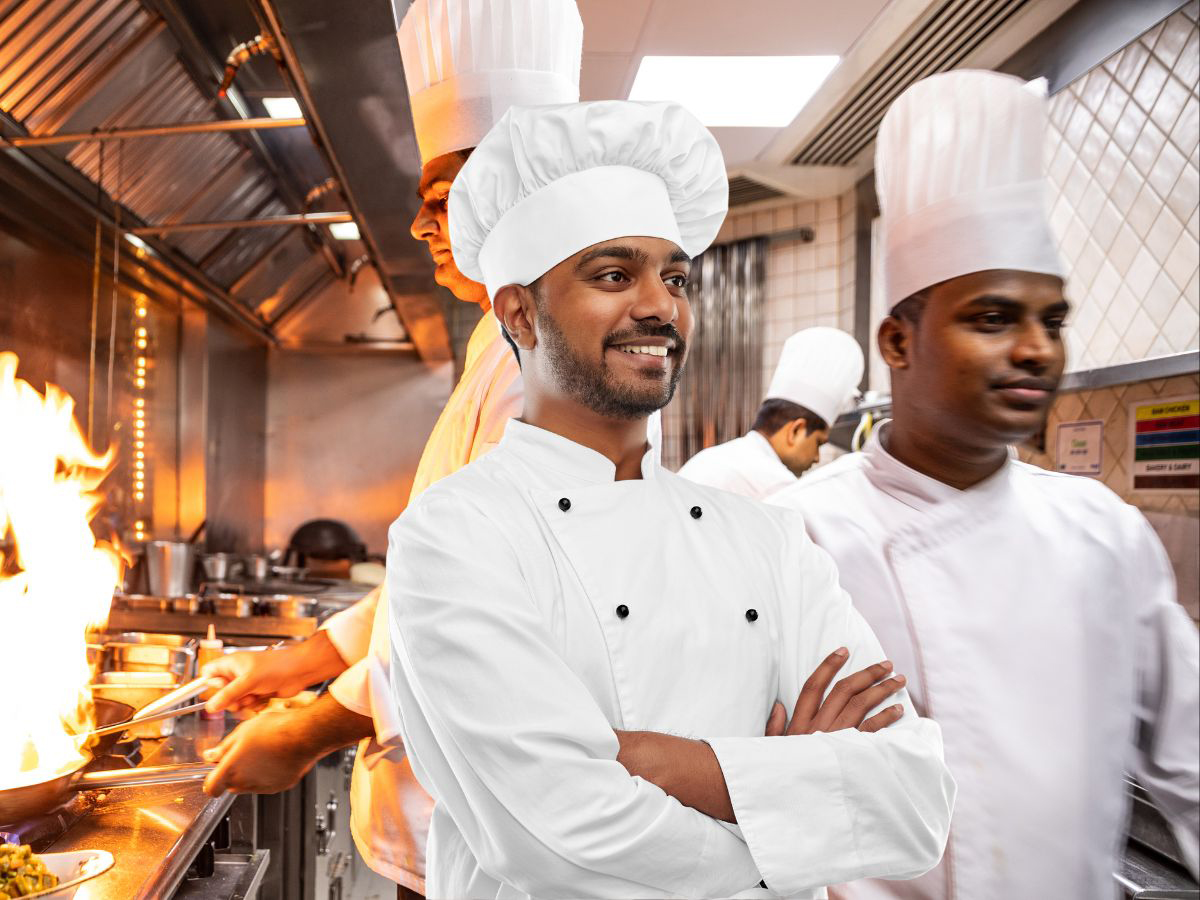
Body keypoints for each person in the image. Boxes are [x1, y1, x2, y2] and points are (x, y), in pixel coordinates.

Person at [385, 98, 955, 899]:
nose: (661, 306)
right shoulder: (456, 535)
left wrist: (651, 759)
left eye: (676, 276)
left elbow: (914, 799)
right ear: (519, 312)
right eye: (614, 274)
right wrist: (793, 806)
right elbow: (561, 838)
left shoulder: (765, 539)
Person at [770, 70, 1200, 900]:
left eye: (1053, 320)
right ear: (899, 341)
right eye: (994, 318)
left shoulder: (1104, 535)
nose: (1037, 348)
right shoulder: (798, 540)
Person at [198, 2, 584, 896]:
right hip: (441, 820)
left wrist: (304, 733)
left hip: (490, 838)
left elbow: (493, 624)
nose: (420, 228)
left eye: (442, 199)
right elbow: (432, 580)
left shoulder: (554, 367)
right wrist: (291, 666)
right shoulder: (502, 338)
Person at [678, 327, 863, 498]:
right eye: (818, 443)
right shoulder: (776, 485)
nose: (816, 457)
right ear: (796, 430)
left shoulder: (710, 457)